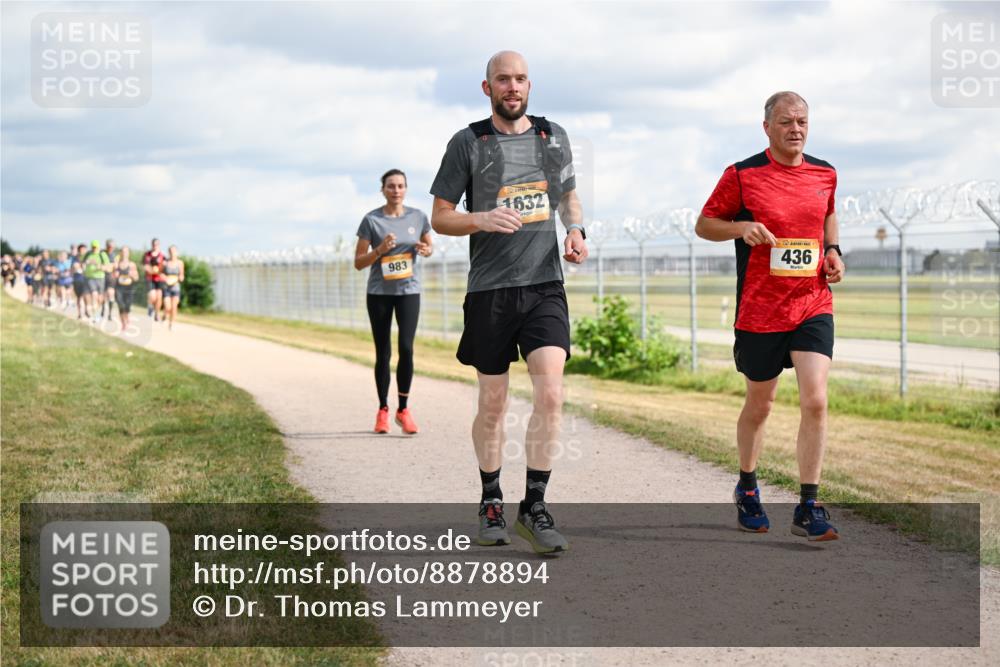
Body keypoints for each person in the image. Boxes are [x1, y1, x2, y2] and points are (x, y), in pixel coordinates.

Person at [430, 51, 587, 554]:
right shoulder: (468, 143)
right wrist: (481, 218)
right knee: (493, 403)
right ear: (487, 88)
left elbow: (567, 196)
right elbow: (439, 217)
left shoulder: (552, 136)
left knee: (551, 393)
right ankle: (491, 500)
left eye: (520, 79)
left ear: (529, 85)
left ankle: (534, 505)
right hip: (490, 291)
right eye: (503, 80)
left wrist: (576, 230)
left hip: (544, 285)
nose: (512, 87)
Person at [695, 91, 845, 542]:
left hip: (811, 302)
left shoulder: (826, 172)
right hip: (761, 311)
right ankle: (747, 486)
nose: (795, 129)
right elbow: (705, 224)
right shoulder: (742, 174)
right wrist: (741, 228)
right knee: (761, 405)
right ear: (767, 128)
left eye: (802, 121)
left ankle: (809, 504)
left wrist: (833, 251)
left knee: (815, 399)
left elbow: (828, 213)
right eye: (785, 122)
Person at [354, 169, 433, 435]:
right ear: (383, 190)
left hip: (409, 291)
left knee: (407, 349)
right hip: (379, 293)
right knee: (383, 352)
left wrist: (426, 249)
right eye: (391, 186)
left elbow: (428, 246)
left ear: (406, 189)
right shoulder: (371, 221)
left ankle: (403, 409)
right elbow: (358, 262)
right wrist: (380, 250)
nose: (396, 190)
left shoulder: (418, 217)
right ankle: (383, 410)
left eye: (400, 186)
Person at [113, 246, 140, 333]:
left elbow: (136, 278)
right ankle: (123, 324)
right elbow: (112, 277)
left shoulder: (132, 265)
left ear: (128, 253)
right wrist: (115, 275)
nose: (124, 253)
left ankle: (126, 318)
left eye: (126, 252)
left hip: (129, 288)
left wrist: (132, 275)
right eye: (123, 251)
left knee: (127, 306)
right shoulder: (117, 264)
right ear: (120, 253)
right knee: (121, 305)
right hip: (119, 287)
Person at [82, 240, 109, 324]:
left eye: (95, 247)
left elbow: (107, 267)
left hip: (100, 278)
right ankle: (95, 315)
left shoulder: (102, 254)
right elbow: (82, 264)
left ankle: (99, 311)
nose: (94, 249)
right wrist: (85, 264)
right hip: (89, 278)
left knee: (99, 298)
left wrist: (98, 265)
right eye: (93, 247)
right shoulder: (88, 254)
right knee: (94, 295)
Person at [160, 245, 185, 330]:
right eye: (170, 251)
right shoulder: (165, 263)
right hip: (166, 287)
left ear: (176, 252)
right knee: (168, 307)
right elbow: (160, 273)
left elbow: (182, 275)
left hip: (176, 287)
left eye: (174, 251)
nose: (172, 253)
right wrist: (164, 277)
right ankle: (164, 315)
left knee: (174, 307)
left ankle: (171, 324)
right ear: (168, 252)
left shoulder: (180, 263)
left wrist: (180, 278)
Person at [143, 238, 165, 320]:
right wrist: (152, 271)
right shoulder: (147, 255)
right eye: (153, 244)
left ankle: (157, 314)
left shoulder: (162, 256)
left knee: (159, 297)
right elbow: (145, 267)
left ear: (159, 245)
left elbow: (163, 268)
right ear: (151, 244)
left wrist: (160, 272)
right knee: (152, 296)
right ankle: (150, 307)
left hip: (159, 280)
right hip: (150, 278)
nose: (155, 246)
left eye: (156, 244)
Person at [101, 238, 118, 321]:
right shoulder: (102, 254)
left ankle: (110, 314)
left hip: (111, 277)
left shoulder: (115, 255)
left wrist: (112, 268)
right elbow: (101, 265)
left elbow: (115, 266)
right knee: (103, 295)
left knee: (111, 294)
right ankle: (103, 309)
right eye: (109, 246)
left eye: (112, 246)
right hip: (102, 276)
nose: (110, 248)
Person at [71, 244, 89, 319]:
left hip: (86, 279)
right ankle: (80, 313)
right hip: (78, 279)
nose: (83, 251)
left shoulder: (88, 257)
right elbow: (75, 267)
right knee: (79, 297)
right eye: (82, 249)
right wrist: (83, 265)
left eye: (85, 249)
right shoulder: (75, 258)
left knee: (86, 296)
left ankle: (86, 310)